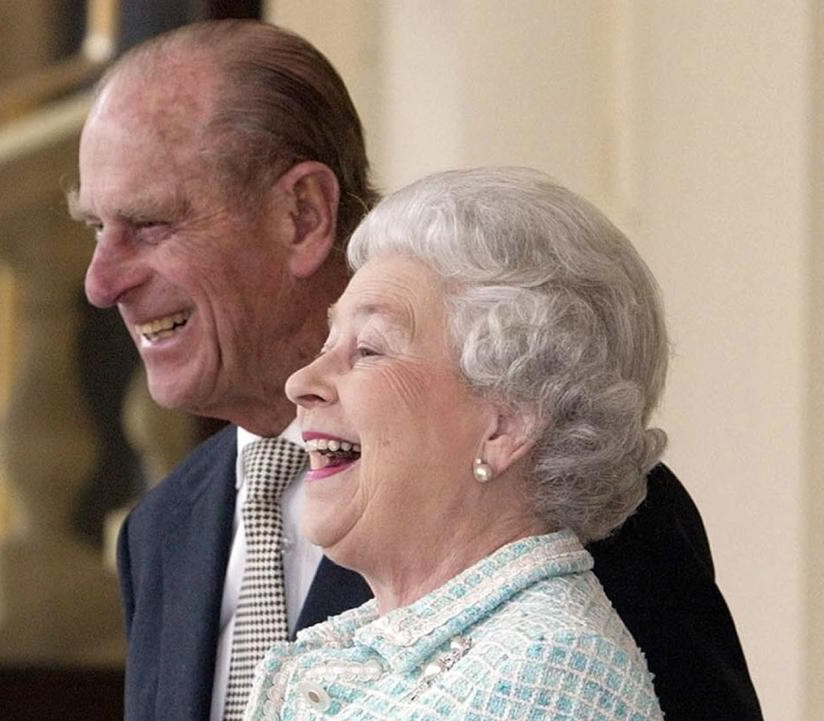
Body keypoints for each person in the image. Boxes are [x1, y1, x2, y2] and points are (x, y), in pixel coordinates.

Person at [70, 19, 762, 721]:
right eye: (95, 228)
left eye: (149, 224)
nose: (100, 282)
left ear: (303, 215)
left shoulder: (573, 503)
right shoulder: (159, 533)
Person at [254, 165, 666, 720]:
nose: (300, 383)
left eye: (370, 349)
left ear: (506, 424)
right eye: (329, 341)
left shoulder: (544, 679)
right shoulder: (394, 646)